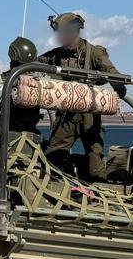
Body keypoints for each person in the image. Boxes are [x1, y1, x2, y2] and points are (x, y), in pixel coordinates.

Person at [40, 12, 125, 182]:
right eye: (60, 34)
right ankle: (51, 186)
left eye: (65, 33)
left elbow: (113, 74)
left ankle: (99, 190)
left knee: (95, 156)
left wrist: (119, 89)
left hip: (89, 114)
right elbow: (36, 63)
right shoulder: (57, 54)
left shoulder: (93, 53)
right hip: (67, 114)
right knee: (53, 155)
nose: (62, 37)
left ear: (75, 32)